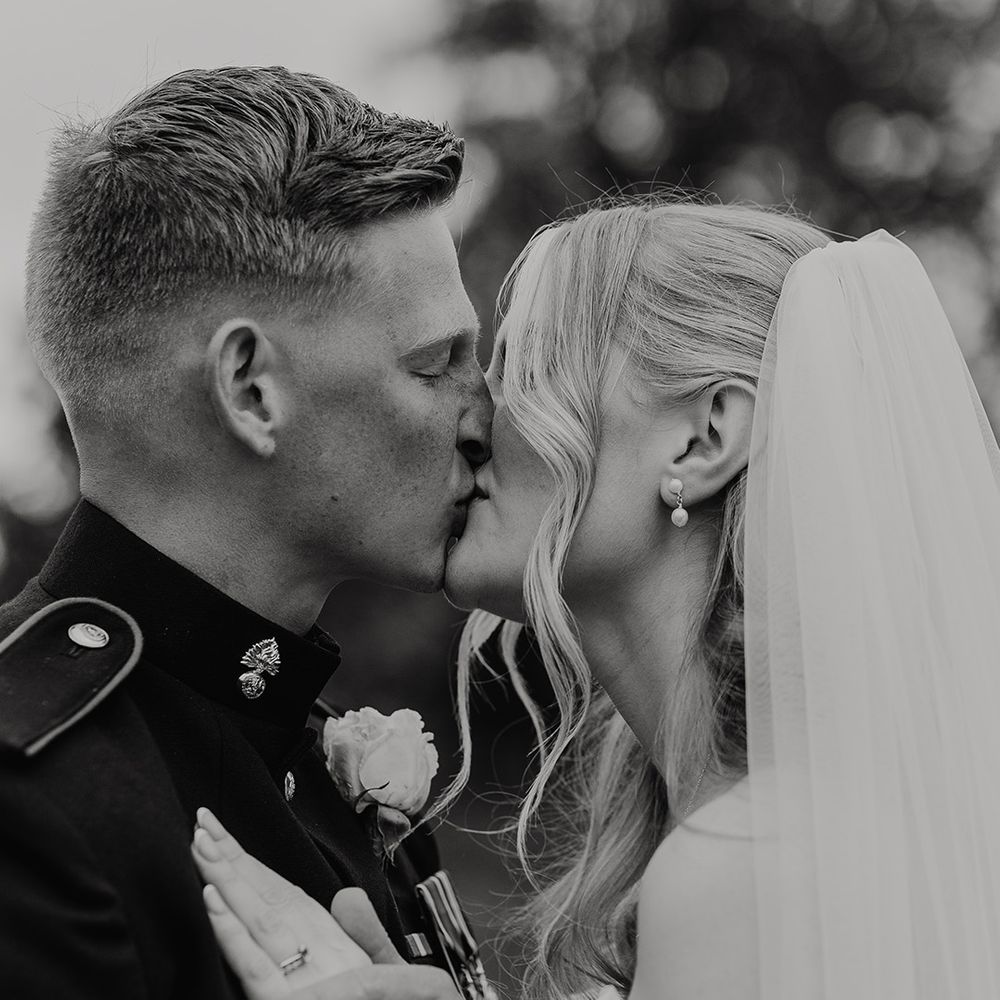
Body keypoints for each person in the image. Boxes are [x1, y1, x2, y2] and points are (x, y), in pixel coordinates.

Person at [202, 200, 1000, 999]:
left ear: (704, 438)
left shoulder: (740, 869)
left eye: (533, 368)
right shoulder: (799, 835)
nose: (474, 422)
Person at [0, 65, 491, 999]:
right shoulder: (27, 803)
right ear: (252, 390)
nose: (482, 419)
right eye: (435, 367)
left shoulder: (312, 745)